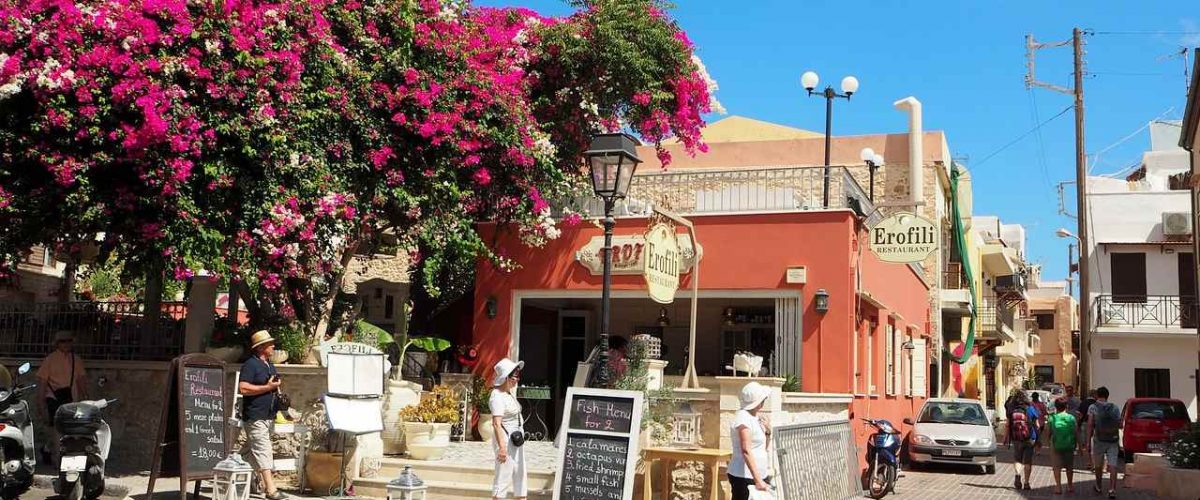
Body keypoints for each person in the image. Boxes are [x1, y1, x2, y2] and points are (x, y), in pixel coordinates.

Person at [238, 330, 285, 500]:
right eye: (270, 344)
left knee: (249, 452)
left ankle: (230, 472)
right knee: (263, 450)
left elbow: (272, 387)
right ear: (260, 348)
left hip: (268, 415)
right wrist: (268, 388)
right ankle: (271, 489)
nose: (273, 346)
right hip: (255, 415)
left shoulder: (269, 365)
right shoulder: (251, 365)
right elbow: (243, 388)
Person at [37, 331, 87, 464]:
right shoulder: (50, 360)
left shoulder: (76, 359)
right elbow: (42, 382)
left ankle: (48, 448)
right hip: (54, 397)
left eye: (68, 341)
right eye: (63, 341)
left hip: (71, 398)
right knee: (57, 427)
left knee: (69, 428)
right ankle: (57, 459)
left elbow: (81, 379)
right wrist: (41, 403)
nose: (66, 344)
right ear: (57, 344)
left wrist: (86, 398)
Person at [728, 382, 772, 500]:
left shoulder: (755, 417)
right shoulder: (743, 418)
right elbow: (746, 449)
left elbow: (762, 447)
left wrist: (767, 431)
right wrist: (758, 480)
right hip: (745, 477)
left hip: (758, 475)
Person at [490, 358, 527, 500]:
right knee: (503, 477)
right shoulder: (497, 396)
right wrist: (502, 448)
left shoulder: (508, 393)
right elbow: (496, 424)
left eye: (518, 376)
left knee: (520, 474)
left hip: (516, 439)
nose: (517, 379)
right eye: (514, 376)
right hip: (506, 440)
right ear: (505, 377)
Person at [1085, 386, 1122, 499]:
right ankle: (1112, 489)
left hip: (1099, 440)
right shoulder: (1115, 407)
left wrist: (1087, 441)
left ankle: (1098, 486)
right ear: (1107, 396)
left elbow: (1090, 424)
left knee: (1099, 465)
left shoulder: (1093, 407)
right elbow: (1120, 424)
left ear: (1097, 395)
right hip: (1113, 439)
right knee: (1113, 465)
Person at [1003, 390, 1041, 490]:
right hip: (1029, 438)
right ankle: (1027, 483)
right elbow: (1037, 425)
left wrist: (1005, 437)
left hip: (1016, 438)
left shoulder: (1011, 409)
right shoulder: (1030, 408)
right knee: (1028, 462)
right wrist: (1038, 439)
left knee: (1017, 459)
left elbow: (1007, 425)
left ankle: (1017, 475)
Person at [1047, 398, 1078, 495]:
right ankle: (1070, 485)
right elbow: (1076, 433)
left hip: (1056, 444)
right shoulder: (1071, 418)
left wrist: (1049, 442)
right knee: (1069, 467)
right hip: (1069, 445)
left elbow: (1049, 433)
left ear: (1056, 407)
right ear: (1066, 406)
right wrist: (1079, 447)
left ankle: (1058, 487)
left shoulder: (1052, 418)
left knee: (1056, 467)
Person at [1079, 389, 1098, 467]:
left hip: (1085, 424)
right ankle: (1096, 462)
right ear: (1095, 395)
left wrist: (1078, 424)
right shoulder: (1096, 404)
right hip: (1096, 425)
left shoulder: (1083, 403)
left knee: (1087, 443)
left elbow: (1080, 415)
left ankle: (1089, 462)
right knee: (1096, 443)